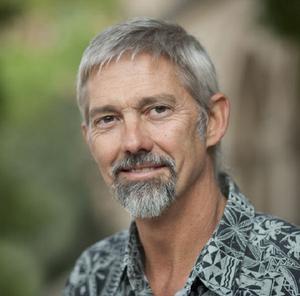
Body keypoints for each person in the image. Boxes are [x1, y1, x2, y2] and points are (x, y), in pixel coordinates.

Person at [64, 17, 300, 296]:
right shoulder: (92, 275)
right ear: (88, 138)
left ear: (213, 120)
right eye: (107, 119)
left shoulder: (291, 268)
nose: (133, 142)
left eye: (158, 109)